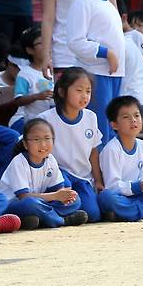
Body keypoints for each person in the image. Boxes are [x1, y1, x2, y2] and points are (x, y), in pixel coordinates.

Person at [66, 0, 125, 147]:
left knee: (111, 125)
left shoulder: (107, 3)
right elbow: (75, 41)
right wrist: (105, 53)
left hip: (113, 75)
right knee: (99, 128)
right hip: (96, 74)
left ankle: (110, 172)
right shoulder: (82, 3)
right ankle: (97, 173)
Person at [0, 118, 89, 229]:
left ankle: (40, 218)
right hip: (14, 204)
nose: (43, 144)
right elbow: (24, 197)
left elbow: (59, 189)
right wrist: (56, 196)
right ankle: (62, 220)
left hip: (40, 202)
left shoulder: (50, 159)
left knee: (75, 200)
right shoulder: (19, 161)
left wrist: (65, 196)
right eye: (36, 139)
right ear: (26, 144)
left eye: (47, 138)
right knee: (30, 203)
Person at [38, 67, 104, 223]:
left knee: (93, 214)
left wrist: (98, 180)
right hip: (58, 174)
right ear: (62, 92)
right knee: (72, 200)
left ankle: (62, 215)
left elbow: (93, 152)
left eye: (88, 91)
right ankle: (42, 212)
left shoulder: (91, 117)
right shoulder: (46, 119)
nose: (84, 96)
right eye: (79, 90)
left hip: (82, 178)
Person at [12, 26, 55, 131]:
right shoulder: (25, 74)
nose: (47, 46)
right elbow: (18, 100)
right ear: (30, 50)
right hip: (33, 122)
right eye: (41, 43)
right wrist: (37, 96)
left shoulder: (55, 69)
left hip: (53, 120)